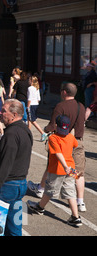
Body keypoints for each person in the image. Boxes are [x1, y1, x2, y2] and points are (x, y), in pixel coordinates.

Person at [28, 82, 87, 212]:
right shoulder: (80, 106)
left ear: (64, 92)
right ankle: (80, 202)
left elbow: (53, 125)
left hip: (62, 142)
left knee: (53, 166)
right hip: (77, 141)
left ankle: (41, 189)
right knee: (78, 171)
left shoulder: (60, 106)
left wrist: (45, 129)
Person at [0, 99, 33, 236]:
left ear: (14, 115)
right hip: (21, 185)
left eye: (4, 111)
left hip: (7, 186)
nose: (0, 112)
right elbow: (17, 150)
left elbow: (6, 163)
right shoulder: (25, 130)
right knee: (15, 227)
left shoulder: (11, 134)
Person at [27, 115, 82, 227]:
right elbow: (76, 145)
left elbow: (58, 153)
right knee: (70, 192)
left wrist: (64, 166)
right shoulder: (71, 137)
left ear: (56, 126)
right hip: (71, 168)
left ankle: (40, 207)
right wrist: (68, 166)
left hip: (58, 169)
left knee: (49, 190)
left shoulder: (53, 138)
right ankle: (75, 217)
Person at [27, 76, 48, 140]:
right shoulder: (37, 88)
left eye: (29, 80)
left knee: (32, 120)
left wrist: (27, 106)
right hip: (36, 104)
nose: (28, 80)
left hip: (31, 105)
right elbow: (39, 98)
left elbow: (29, 98)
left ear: (31, 81)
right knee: (29, 120)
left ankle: (42, 133)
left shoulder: (30, 88)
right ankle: (28, 133)